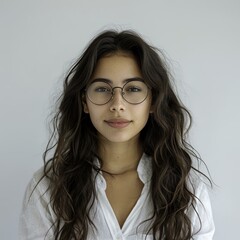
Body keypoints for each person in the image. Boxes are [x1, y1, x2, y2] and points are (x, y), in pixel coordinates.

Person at [19, 30, 215, 240]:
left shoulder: (186, 190)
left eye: (133, 89)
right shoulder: (48, 188)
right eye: (103, 89)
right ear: (85, 101)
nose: (117, 105)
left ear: (153, 101)